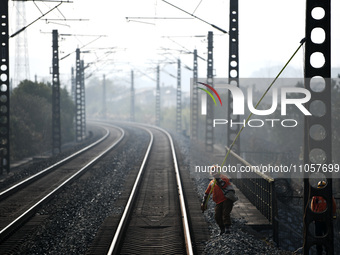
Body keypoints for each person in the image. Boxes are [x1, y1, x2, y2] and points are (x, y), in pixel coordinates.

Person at [201, 165, 235, 235]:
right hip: (218, 201)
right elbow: (206, 193)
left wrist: (218, 178)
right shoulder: (212, 183)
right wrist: (204, 203)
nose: (214, 172)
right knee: (217, 216)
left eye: (215, 171)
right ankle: (222, 229)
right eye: (213, 171)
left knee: (225, 214)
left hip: (226, 199)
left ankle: (227, 229)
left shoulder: (224, 178)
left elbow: (223, 184)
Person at [310, 180, 337, 255]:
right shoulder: (318, 197)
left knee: (323, 237)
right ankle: (322, 252)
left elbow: (333, 207)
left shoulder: (317, 196)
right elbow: (313, 207)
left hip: (323, 220)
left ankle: (323, 251)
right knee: (322, 237)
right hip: (322, 220)